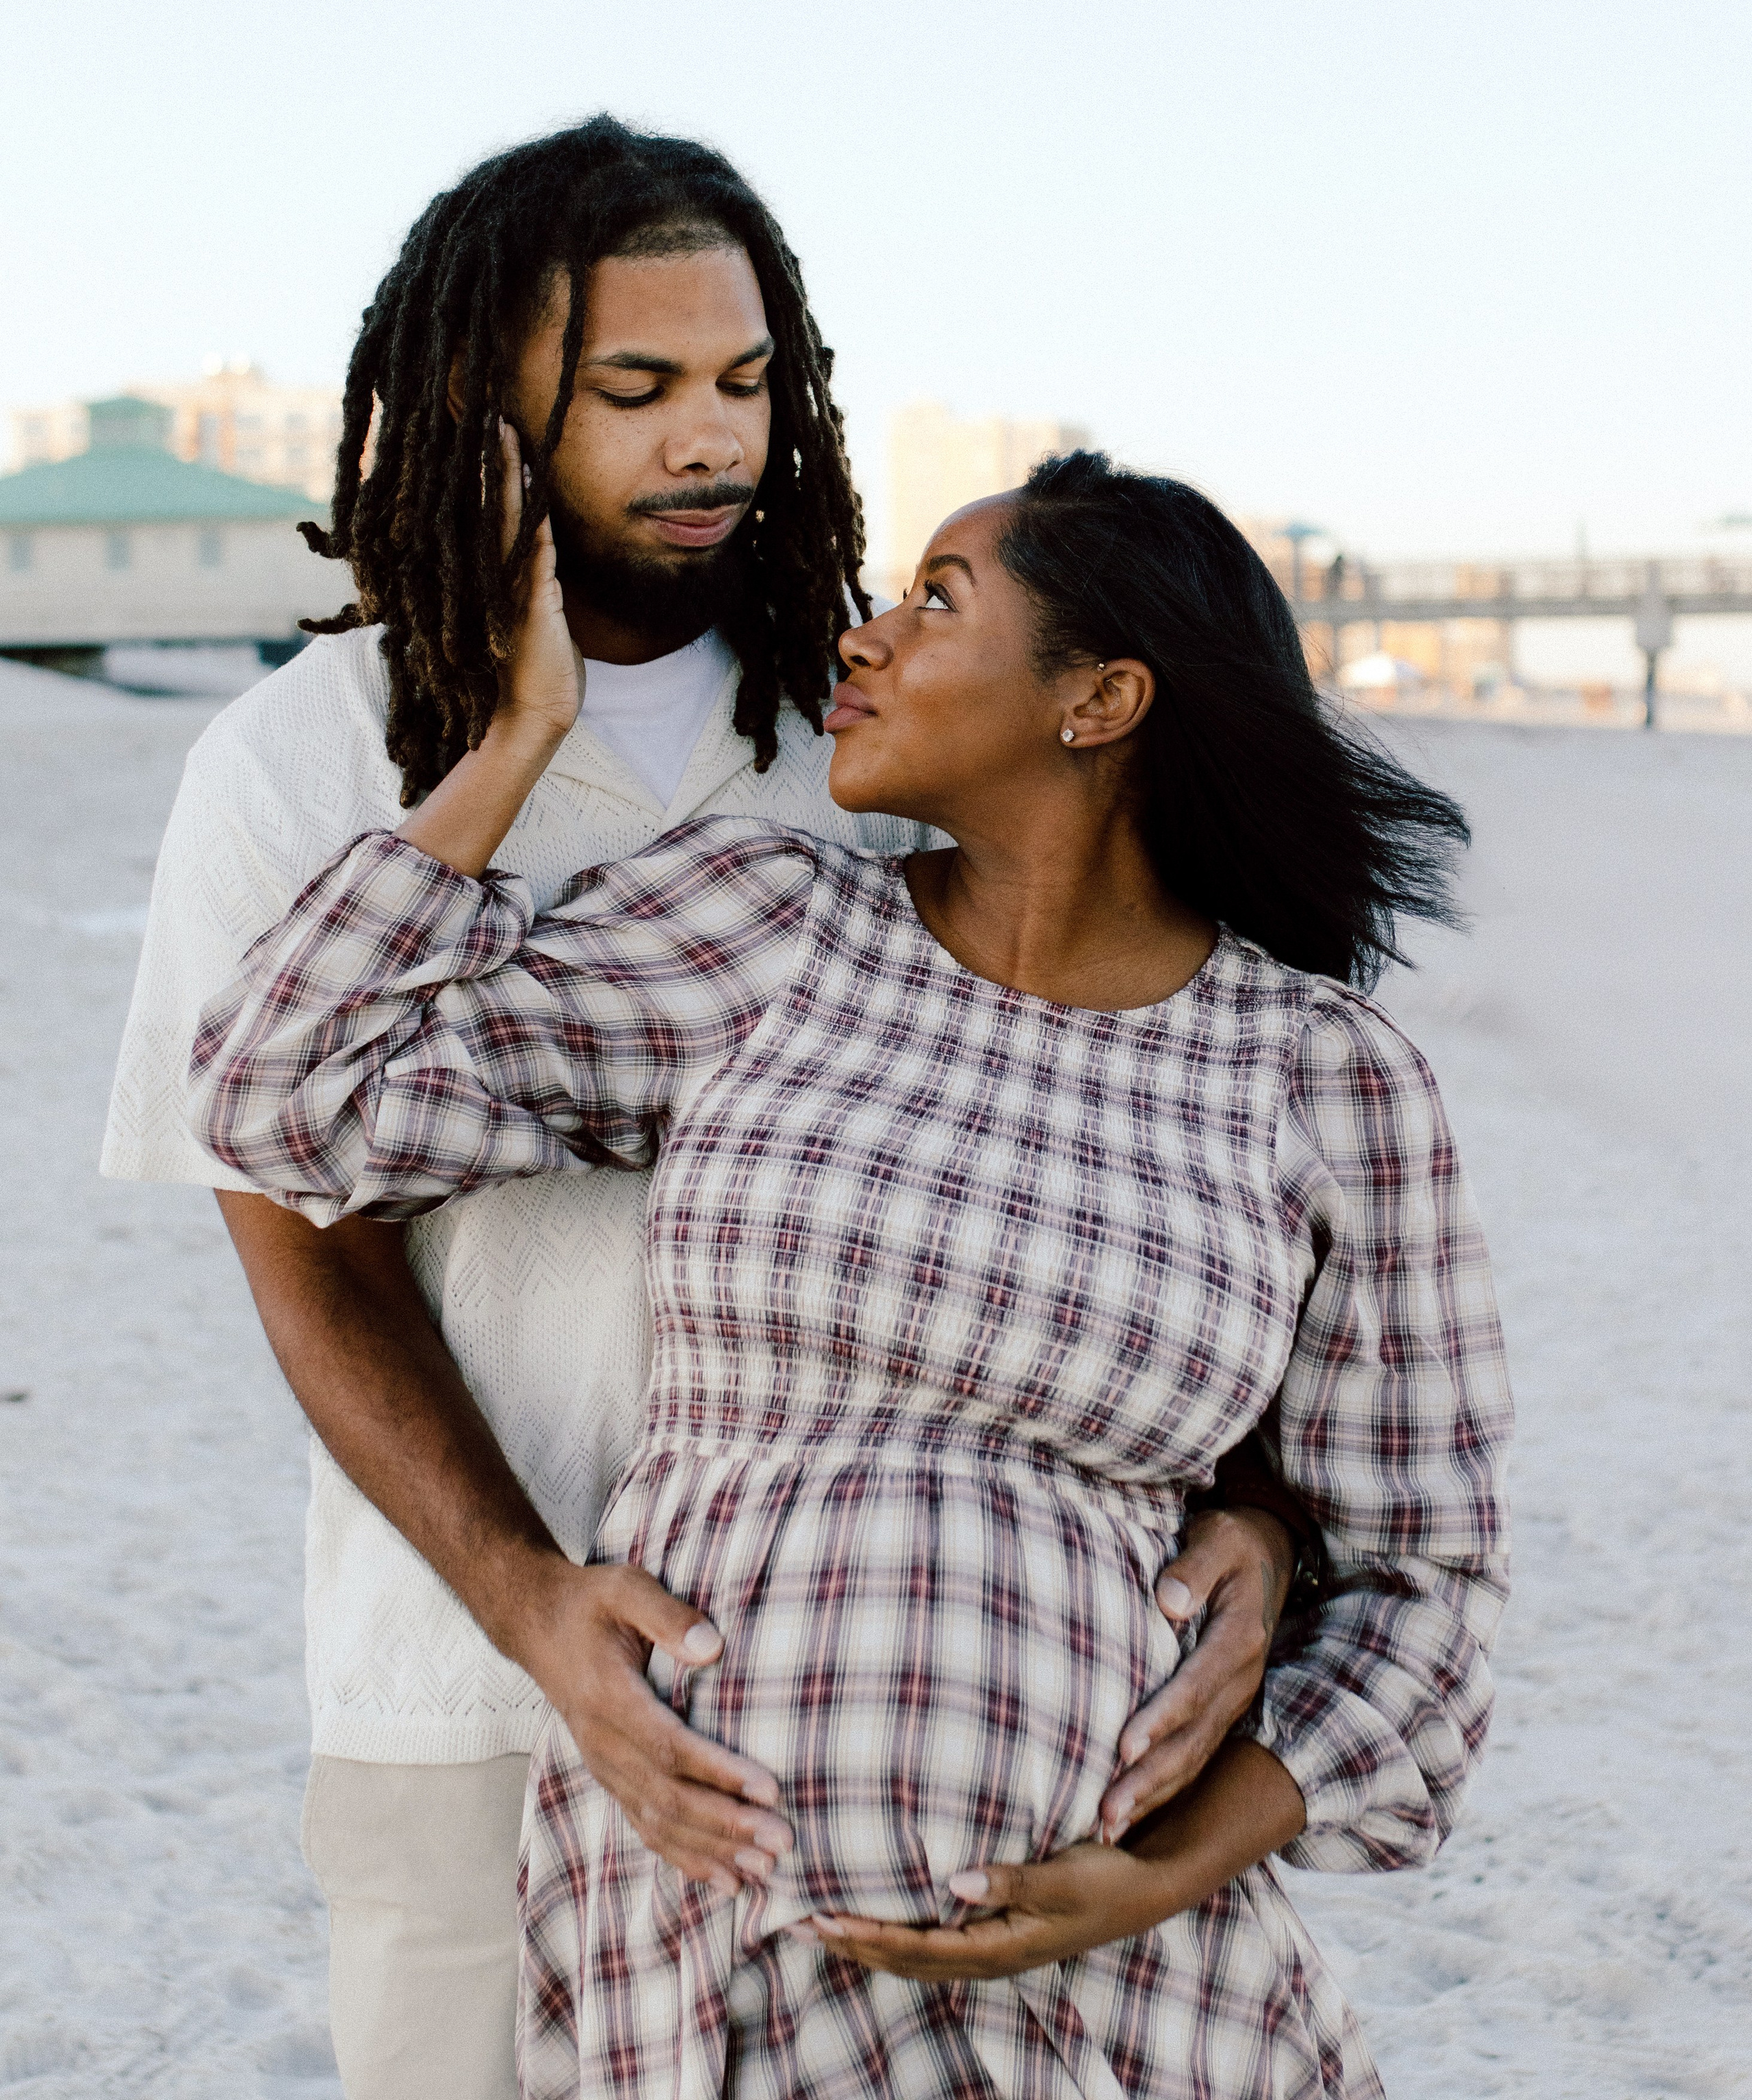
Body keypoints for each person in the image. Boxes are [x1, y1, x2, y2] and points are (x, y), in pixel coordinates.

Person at [101, 122, 1298, 2100]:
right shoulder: (289, 765)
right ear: (484, 415)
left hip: (899, 1708)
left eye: (746, 384)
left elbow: (1149, 1141)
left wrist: (1255, 1511)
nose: (710, 444)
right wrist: (532, 1607)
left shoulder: (893, 739)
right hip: (470, 1693)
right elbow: (307, 1257)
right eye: (634, 391)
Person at [190, 448, 1513, 2099]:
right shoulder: (767, 930)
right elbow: (283, 1095)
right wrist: (512, 746)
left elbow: (1423, 1586)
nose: (865, 638)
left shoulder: (1322, 1078)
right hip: (706, 1939)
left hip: (1123, 1987)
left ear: (1096, 700)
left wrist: (1167, 1865)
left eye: (937, 599)